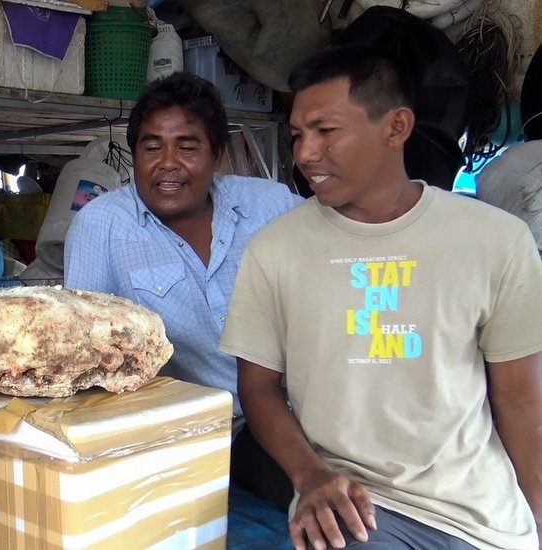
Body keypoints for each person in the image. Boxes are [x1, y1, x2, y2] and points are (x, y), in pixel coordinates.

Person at [220, 44, 542, 550]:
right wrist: (309, 477)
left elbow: (520, 398)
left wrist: (539, 516)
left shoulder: (495, 241)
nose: (304, 153)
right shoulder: (275, 249)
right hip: (357, 507)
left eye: (326, 131)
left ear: (396, 128)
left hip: (484, 517)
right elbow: (257, 387)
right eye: (299, 134)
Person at [63, 71, 303, 507]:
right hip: (196, 432)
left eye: (187, 146)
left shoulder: (271, 206)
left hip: (303, 410)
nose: (167, 163)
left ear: (217, 155)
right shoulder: (102, 225)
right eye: (151, 146)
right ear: (134, 156)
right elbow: (87, 354)